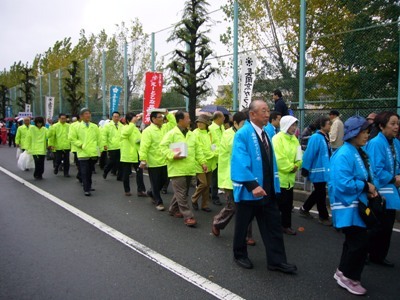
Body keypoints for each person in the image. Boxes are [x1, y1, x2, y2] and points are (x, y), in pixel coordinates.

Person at [231, 100, 296, 273]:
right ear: (252, 114)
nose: (268, 114)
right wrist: (253, 185)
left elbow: (270, 163)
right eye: (264, 111)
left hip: (267, 191)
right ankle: (239, 254)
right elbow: (239, 161)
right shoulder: (243, 134)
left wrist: (275, 187)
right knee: (242, 225)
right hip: (250, 191)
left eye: (268, 110)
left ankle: (276, 261)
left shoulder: (266, 133)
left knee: (273, 227)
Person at [329, 116, 376, 296]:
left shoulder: (354, 151)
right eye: (364, 132)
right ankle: (349, 277)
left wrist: (369, 187)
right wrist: (366, 186)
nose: (366, 135)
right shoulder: (345, 154)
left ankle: (343, 272)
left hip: (355, 205)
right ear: (354, 134)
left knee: (353, 242)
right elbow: (343, 183)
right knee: (359, 243)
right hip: (348, 206)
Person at [212, 111, 255, 244]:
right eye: (243, 124)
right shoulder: (228, 134)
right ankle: (218, 222)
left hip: (245, 176)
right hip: (229, 177)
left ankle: (248, 235)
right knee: (232, 207)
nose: (245, 126)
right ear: (235, 123)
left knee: (247, 206)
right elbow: (236, 149)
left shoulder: (247, 133)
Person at [160, 111, 207, 227]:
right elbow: (162, 147)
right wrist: (172, 155)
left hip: (189, 168)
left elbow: (198, 150)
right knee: (181, 193)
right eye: (187, 118)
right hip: (177, 169)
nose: (190, 120)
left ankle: (172, 209)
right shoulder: (172, 134)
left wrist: (203, 162)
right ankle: (188, 216)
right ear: (180, 120)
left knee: (182, 192)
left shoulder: (192, 134)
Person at [365, 112, 400, 267]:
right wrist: (394, 179)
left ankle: (379, 255)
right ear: (381, 125)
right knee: (377, 225)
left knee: (387, 225)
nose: (396, 127)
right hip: (380, 190)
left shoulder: (396, 143)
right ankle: (367, 253)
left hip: (393, 189)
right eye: (392, 123)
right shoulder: (376, 143)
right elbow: (376, 169)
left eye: (397, 123)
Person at [139, 110, 176, 211]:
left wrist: (167, 113)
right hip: (154, 161)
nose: (162, 118)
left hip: (165, 160)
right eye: (159, 117)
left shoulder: (165, 127)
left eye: (162, 117)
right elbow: (144, 146)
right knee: (155, 182)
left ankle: (151, 193)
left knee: (164, 180)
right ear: (153, 119)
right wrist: (143, 159)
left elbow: (173, 123)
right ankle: (158, 201)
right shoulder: (148, 131)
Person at [272, 115, 302, 235]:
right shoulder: (277, 138)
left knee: (288, 205)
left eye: (295, 125)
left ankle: (286, 226)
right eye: (292, 125)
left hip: (290, 179)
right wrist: (291, 167)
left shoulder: (294, 139)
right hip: (280, 179)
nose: (294, 127)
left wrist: (297, 165)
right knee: (278, 205)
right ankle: (275, 227)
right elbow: (279, 158)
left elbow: (299, 156)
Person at [299, 116, 332, 225]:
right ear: (322, 125)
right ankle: (323, 216)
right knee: (321, 193)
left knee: (318, 191)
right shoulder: (316, 137)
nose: (330, 126)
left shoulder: (325, 137)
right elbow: (309, 154)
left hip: (323, 171)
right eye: (328, 124)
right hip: (317, 171)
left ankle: (304, 209)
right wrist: (305, 168)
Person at [69, 108, 102, 196]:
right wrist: (80, 145)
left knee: (90, 171)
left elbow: (99, 139)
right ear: (81, 116)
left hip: (92, 152)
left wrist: (101, 149)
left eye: (89, 113)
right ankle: (86, 188)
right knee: (84, 171)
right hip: (82, 152)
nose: (88, 115)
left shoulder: (94, 126)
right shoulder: (76, 127)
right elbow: (72, 138)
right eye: (86, 114)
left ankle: (89, 185)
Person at [191, 114, 217, 212]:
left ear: (206, 123)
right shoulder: (195, 133)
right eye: (198, 122)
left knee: (207, 185)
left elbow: (215, 144)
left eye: (202, 122)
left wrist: (214, 153)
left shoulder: (210, 133)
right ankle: (194, 198)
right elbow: (199, 149)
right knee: (203, 183)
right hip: (199, 162)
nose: (199, 124)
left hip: (210, 162)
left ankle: (205, 205)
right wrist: (212, 154)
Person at [120, 112, 142, 197]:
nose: (136, 119)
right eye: (133, 118)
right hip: (127, 154)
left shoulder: (135, 128)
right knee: (126, 173)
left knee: (139, 173)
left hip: (136, 154)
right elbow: (126, 133)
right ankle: (127, 190)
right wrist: (132, 123)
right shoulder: (124, 128)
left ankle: (140, 190)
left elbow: (140, 138)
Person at [208, 111, 225, 205]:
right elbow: (210, 144)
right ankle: (214, 197)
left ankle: (211, 193)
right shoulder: (210, 129)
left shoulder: (221, 127)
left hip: (222, 156)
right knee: (214, 178)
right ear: (218, 117)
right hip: (215, 157)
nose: (224, 119)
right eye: (223, 117)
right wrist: (216, 152)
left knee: (217, 178)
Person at [102, 111, 123, 181]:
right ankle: (106, 171)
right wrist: (105, 144)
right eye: (115, 117)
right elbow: (104, 136)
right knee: (112, 161)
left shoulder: (121, 126)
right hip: (112, 146)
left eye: (117, 117)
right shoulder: (107, 126)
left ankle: (120, 176)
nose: (116, 118)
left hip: (120, 146)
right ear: (112, 117)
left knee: (120, 162)